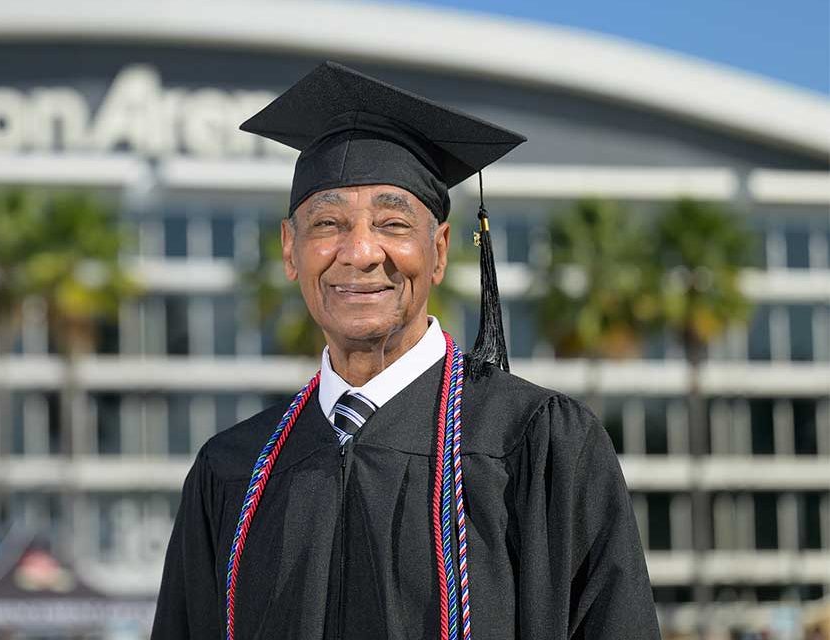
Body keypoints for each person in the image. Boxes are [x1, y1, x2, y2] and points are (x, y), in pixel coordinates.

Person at [151, 61, 661, 640]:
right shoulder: (231, 471)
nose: (360, 251)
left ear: (439, 251)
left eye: (393, 223)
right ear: (291, 251)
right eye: (327, 224)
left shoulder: (535, 443)